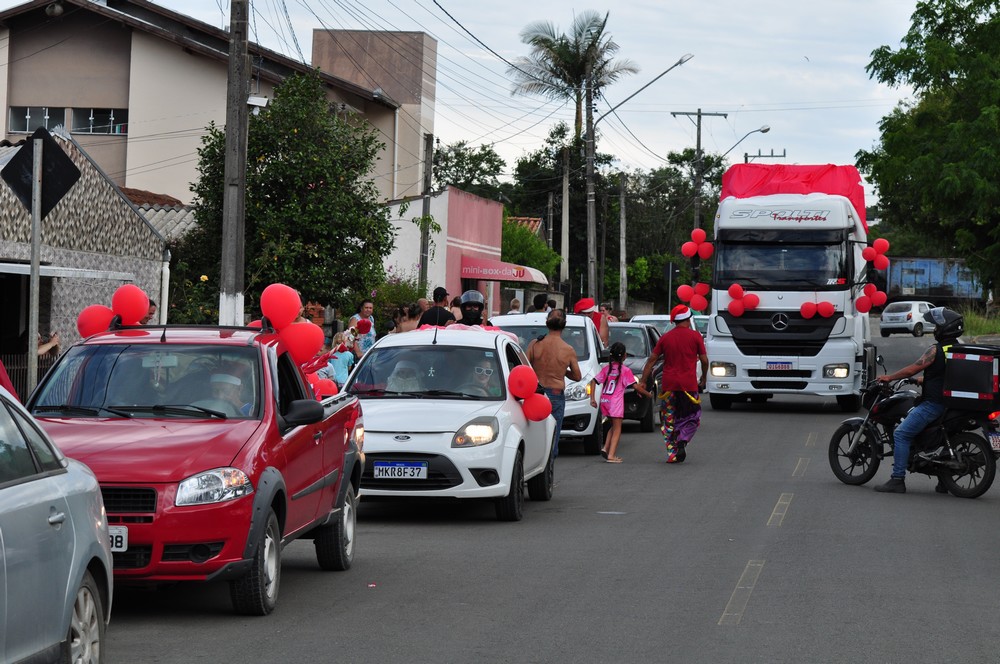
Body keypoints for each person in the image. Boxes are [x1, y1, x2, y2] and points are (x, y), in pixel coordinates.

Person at [874, 307, 964, 494]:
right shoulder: (959, 349)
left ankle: (897, 479)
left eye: (937, 327)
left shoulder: (935, 350)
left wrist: (890, 377)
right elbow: (946, 375)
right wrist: (922, 380)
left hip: (934, 404)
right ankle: (944, 481)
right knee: (939, 439)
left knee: (901, 433)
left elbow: (913, 368)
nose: (935, 330)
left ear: (944, 329)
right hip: (951, 404)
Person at [641, 304, 708, 463]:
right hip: (689, 385)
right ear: (688, 318)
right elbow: (704, 360)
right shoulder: (695, 336)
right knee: (692, 416)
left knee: (668, 418)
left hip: (669, 386)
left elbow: (652, 360)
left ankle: (672, 453)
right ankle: (683, 440)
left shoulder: (666, 337)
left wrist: (643, 380)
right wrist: (704, 377)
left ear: (674, 321)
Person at [527, 309, 582, 458]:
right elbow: (577, 376)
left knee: (533, 433)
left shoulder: (534, 344)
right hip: (556, 395)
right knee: (553, 437)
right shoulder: (568, 350)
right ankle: (548, 474)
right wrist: (562, 371)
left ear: (547, 323)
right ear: (564, 325)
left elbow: (525, 369)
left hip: (535, 394)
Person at [591, 342, 651, 463]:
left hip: (605, 400)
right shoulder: (625, 370)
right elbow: (636, 387)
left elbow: (593, 381)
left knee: (613, 426)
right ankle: (611, 455)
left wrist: (592, 398)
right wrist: (648, 394)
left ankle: (606, 448)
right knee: (618, 429)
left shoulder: (607, 369)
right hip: (615, 403)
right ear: (624, 356)